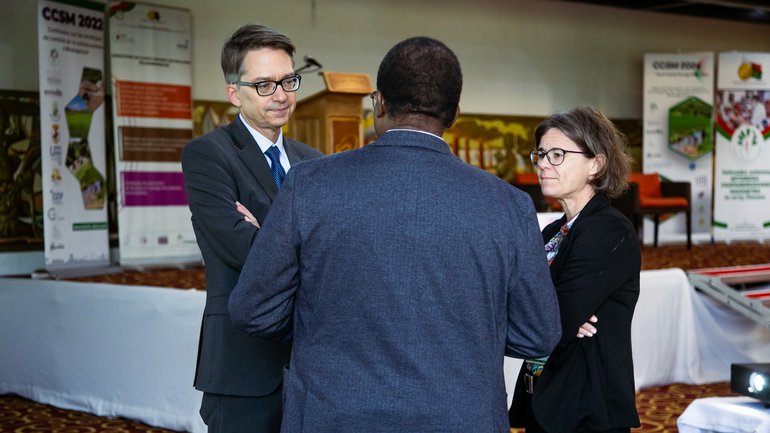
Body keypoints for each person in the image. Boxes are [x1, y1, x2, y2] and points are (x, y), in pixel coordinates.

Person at [228, 36, 562, 432]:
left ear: (380, 103)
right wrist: (469, 329)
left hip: (335, 416)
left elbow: (253, 310)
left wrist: (322, 322)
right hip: (460, 419)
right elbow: (537, 335)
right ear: (454, 114)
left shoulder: (309, 185)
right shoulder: (508, 205)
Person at [181, 23, 323, 433]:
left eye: (288, 81)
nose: (281, 95)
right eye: (264, 85)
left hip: (312, 366)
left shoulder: (315, 162)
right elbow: (245, 252)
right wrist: (305, 245)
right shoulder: (207, 156)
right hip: (242, 364)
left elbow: (337, 253)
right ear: (234, 93)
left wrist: (268, 232)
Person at [509, 106, 641, 432]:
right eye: (540, 154)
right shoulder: (553, 232)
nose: (543, 164)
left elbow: (557, 320)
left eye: (557, 155)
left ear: (596, 164)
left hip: (584, 408)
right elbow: (525, 300)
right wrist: (546, 311)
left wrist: (550, 314)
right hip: (545, 396)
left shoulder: (609, 230)